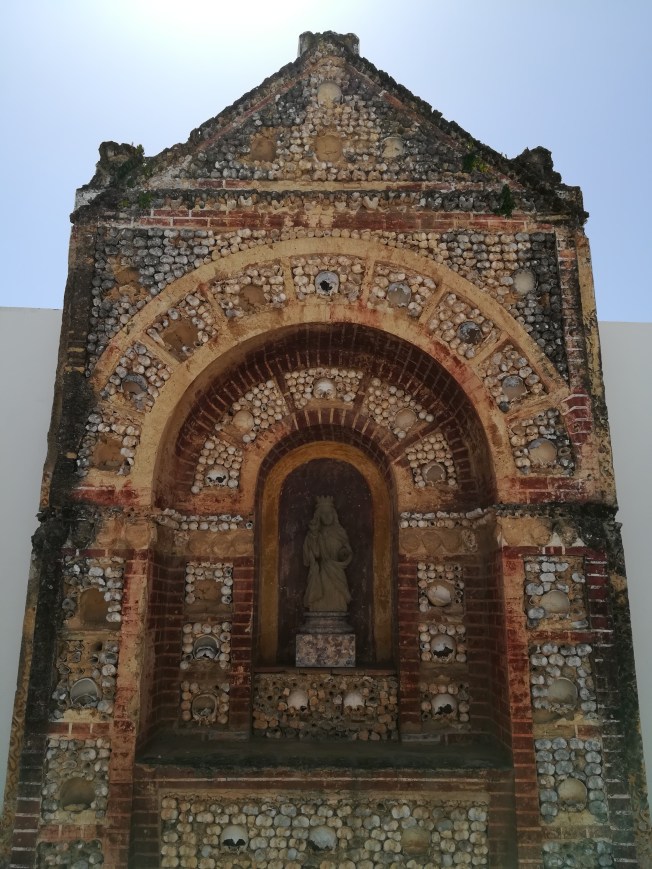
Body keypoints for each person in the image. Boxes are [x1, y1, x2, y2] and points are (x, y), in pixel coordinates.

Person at [303, 496, 352, 612]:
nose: (327, 516)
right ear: (318, 516)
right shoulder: (314, 534)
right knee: (321, 597)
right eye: (323, 514)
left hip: (336, 570)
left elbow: (348, 552)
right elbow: (314, 554)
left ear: (334, 514)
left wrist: (344, 554)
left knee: (337, 597)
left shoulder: (340, 532)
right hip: (322, 571)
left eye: (329, 513)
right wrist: (314, 535)